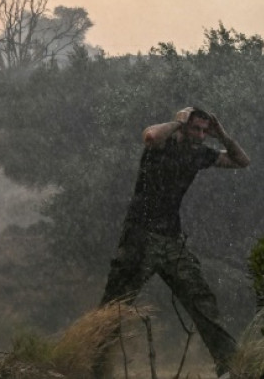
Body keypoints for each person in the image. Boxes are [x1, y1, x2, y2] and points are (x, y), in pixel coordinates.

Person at [97, 106, 250, 377]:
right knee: (116, 306)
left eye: (205, 131)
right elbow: (151, 136)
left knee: (201, 298)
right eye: (196, 129)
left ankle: (229, 366)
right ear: (183, 126)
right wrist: (178, 122)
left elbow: (241, 161)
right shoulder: (162, 145)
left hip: (171, 240)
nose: (202, 135)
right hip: (140, 237)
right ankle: (94, 366)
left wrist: (223, 135)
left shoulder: (199, 154)